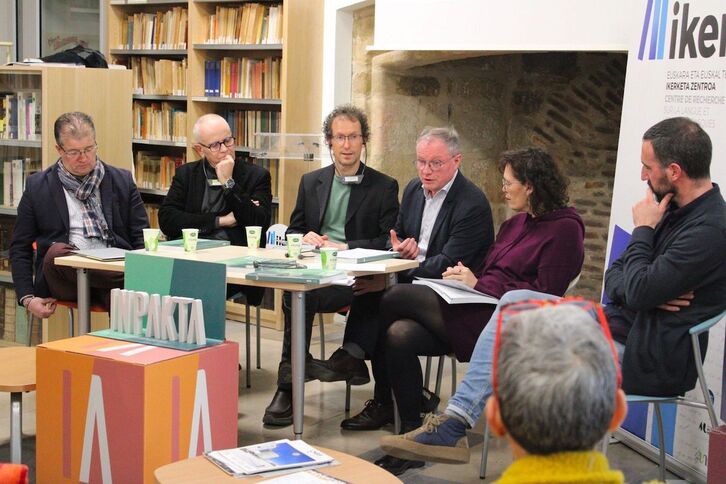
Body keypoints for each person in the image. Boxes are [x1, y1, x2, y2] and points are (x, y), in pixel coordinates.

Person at [378, 116, 726, 468]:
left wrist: (644, 234)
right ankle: (454, 423)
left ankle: (452, 426)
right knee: (514, 304)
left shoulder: (707, 228)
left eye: (647, 168)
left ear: (674, 171)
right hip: (616, 325)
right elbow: (616, 279)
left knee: (499, 330)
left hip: (648, 353)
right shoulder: (671, 209)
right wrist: (645, 285)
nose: (642, 176)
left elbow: (635, 290)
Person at [371, 148, 585, 475]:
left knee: (395, 295)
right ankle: (415, 438)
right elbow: (489, 270)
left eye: (508, 182)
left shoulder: (565, 229)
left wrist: (479, 285)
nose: (503, 189)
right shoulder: (515, 224)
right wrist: (464, 277)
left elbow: (544, 295)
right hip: (474, 306)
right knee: (398, 335)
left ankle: (373, 382)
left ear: (530, 186)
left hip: (506, 323)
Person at [314, 126, 494, 435]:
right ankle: (403, 418)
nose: (426, 170)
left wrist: (397, 274)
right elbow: (393, 236)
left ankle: (355, 356)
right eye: (421, 161)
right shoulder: (413, 189)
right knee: (394, 327)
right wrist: (397, 250)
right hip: (411, 287)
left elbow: (447, 264)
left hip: (452, 300)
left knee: (387, 294)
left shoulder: (471, 203)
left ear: (456, 161)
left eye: (435, 163)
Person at [262, 104, 400, 426]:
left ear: (364, 140)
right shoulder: (312, 182)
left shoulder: (384, 186)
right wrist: (304, 237)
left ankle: (295, 381)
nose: (347, 145)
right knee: (295, 294)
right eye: (340, 137)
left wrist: (347, 246)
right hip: (318, 273)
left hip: (355, 280)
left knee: (325, 294)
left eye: (353, 137)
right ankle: (291, 382)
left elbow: (388, 240)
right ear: (329, 141)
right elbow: (293, 230)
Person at [384, 301, 627, 483]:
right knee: (512, 299)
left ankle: (453, 419)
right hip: (613, 317)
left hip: (634, 335)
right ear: (616, 414)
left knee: (394, 300)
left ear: (497, 418)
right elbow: (620, 279)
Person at [9, 111, 148, 319]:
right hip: (66, 279)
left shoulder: (122, 181)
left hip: (113, 271)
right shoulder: (38, 187)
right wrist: (27, 298)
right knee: (55, 253)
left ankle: (119, 289)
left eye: (89, 149)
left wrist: (141, 266)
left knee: (121, 298)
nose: (83, 158)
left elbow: (141, 236)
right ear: (59, 149)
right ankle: (126, 278)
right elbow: (20, 246)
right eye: (74, 152)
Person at [158, 113, 272, 303]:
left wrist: (228, 182)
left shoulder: (256, 176)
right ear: (199, 150)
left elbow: (258, 223)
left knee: (195, 283)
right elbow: (167, 220)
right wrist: (220, 220)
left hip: (235, 261)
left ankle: (199, 322)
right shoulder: (187, 174)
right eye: (215, 145)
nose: (225, 149)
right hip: (192, 256)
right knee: (161, 277)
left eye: (228, 141)